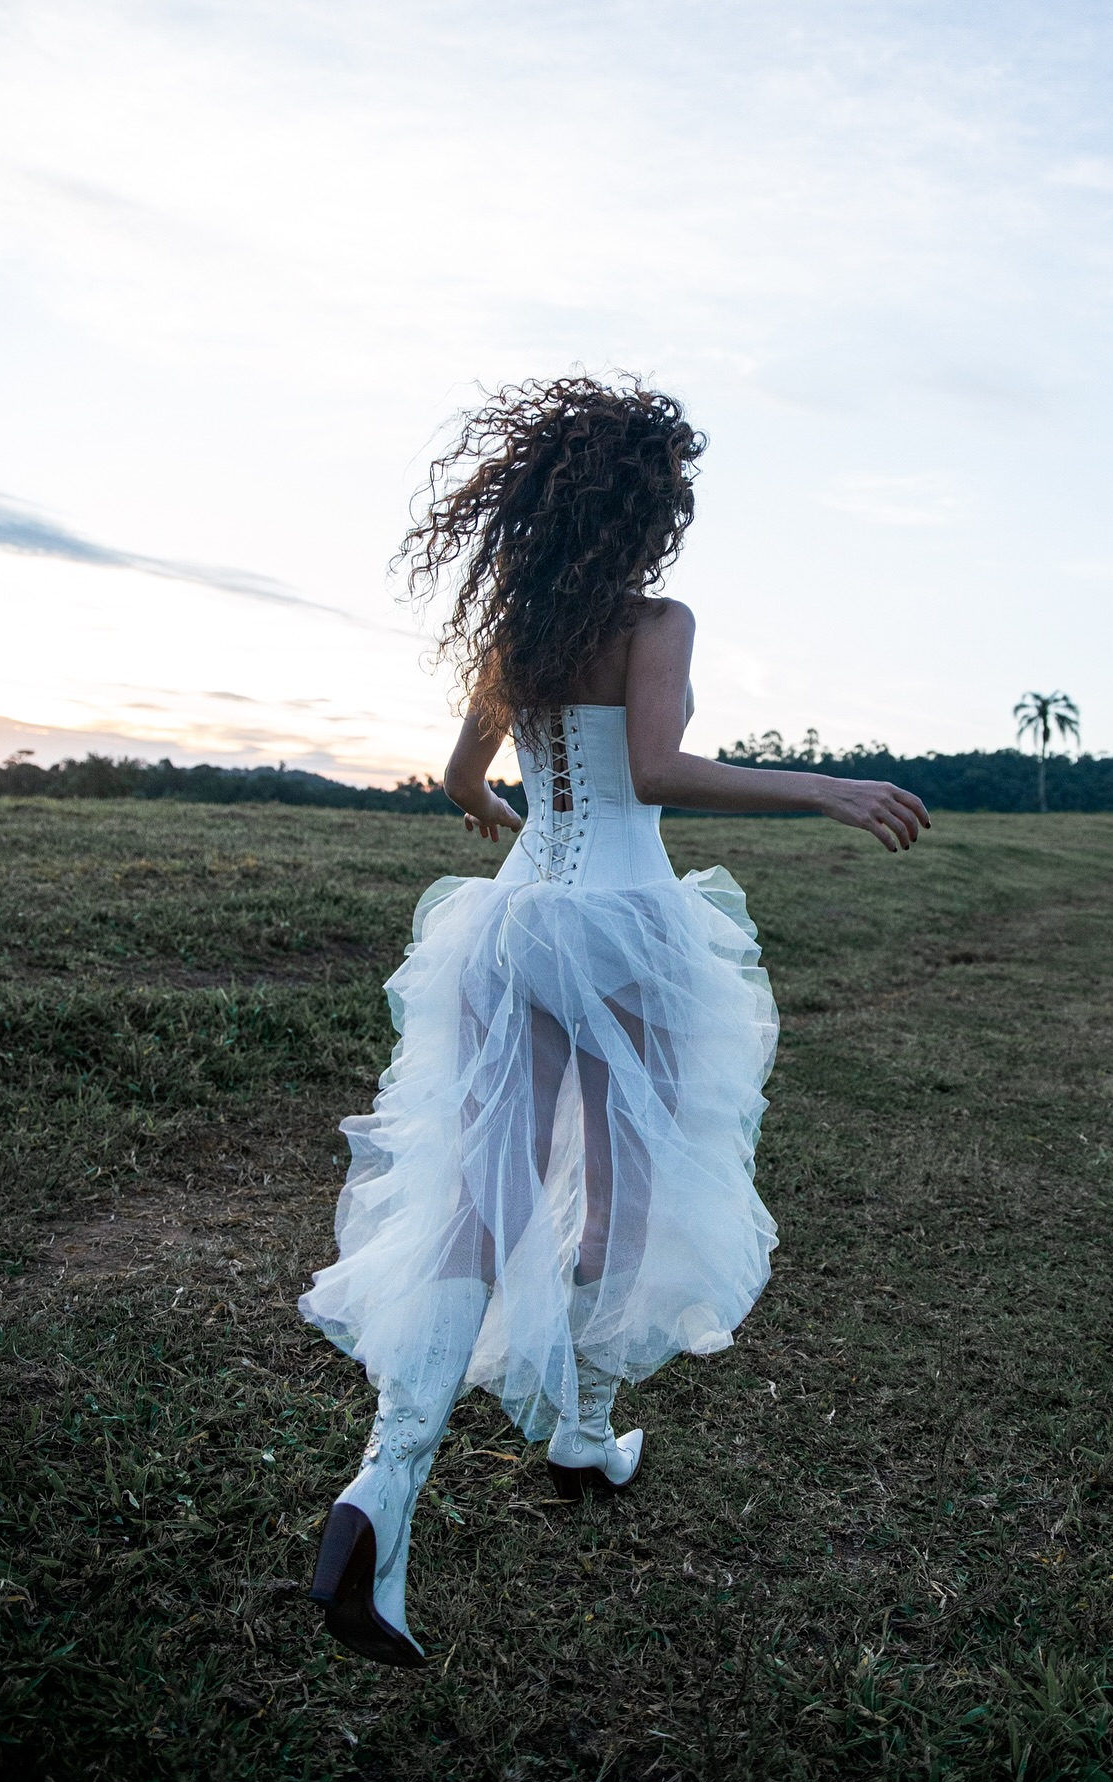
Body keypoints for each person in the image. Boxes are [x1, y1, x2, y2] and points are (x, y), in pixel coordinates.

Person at [300, 374, 930, 1666]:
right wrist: (823, 784)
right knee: (627, 1178)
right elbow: (649, 768)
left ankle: (386, 1482)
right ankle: (581, 1423)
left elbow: (471, 773)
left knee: (486, 1186)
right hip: (628, 924)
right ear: (647, 505)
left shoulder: (515, 634)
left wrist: (499, 817)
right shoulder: (656, 616)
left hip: (509, 924)